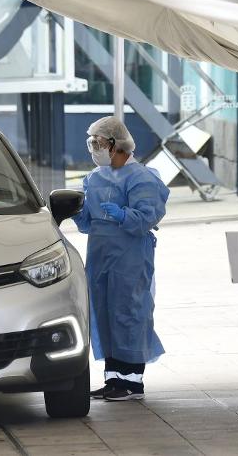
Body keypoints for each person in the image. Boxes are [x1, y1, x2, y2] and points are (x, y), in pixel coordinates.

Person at [72, 115, 168, 401]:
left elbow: (148, 215)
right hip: (101, 255)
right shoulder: (94, 178)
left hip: (130, 257)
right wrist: (78, 211)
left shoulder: (142, 177)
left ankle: (133, 382)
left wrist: (123, 214)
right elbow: (88, 223)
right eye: (92, 143)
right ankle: (113, 378)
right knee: (104, 314)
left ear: (116, 145)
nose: (94, 148)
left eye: (99, 143)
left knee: (129, 313)